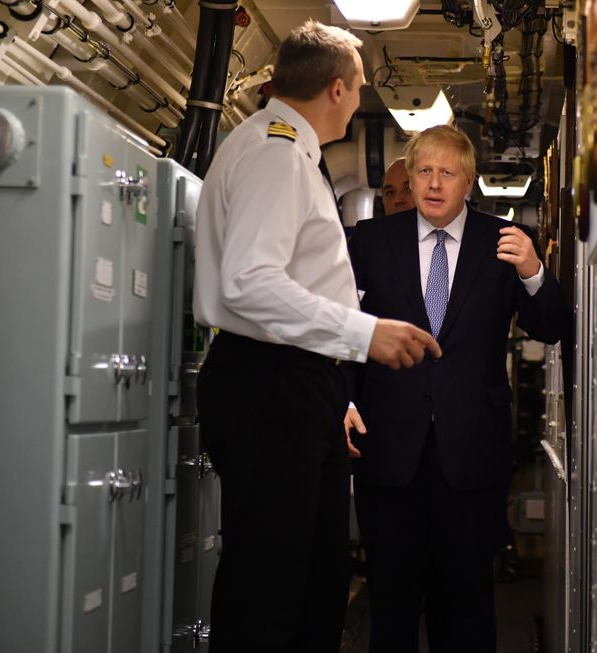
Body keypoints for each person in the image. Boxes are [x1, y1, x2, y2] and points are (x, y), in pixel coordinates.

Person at [193, 20, 441, 653]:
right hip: (269, 384)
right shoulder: (276, 153)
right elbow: (248, 282)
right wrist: (363, 333)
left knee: (317, 581)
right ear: (336, 89)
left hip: (300, 386)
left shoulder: (291, 151)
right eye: (359, 87)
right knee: (270, 586)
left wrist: (337, 393)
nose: (361, 99)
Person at [343, 125, 568, 652]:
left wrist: (535, 272)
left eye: (447, 172)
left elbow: (550, 327)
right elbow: (346, 330)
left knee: (465, 604)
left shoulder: (505, 242)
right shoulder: (372, 242)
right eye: (424, 171)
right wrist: (345, 400)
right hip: (389, 448)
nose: (434, 183)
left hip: (471, 454)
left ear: (469, 181)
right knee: (391, 604)